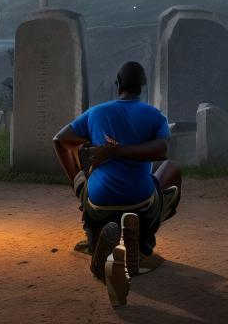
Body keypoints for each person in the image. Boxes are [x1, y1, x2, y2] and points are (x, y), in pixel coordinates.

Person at [53, 61, 181, 305]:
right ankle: (142, 243)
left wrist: (77, 179)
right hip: (140, 201)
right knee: (168, 172)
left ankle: (97, 238)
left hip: (99, 201)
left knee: (93, 195)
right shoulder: (154, 115)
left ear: (118, 84)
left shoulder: (96, 113)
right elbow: (163, 149)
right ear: (143, 85)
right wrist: (125, 151)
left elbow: (59, 140)